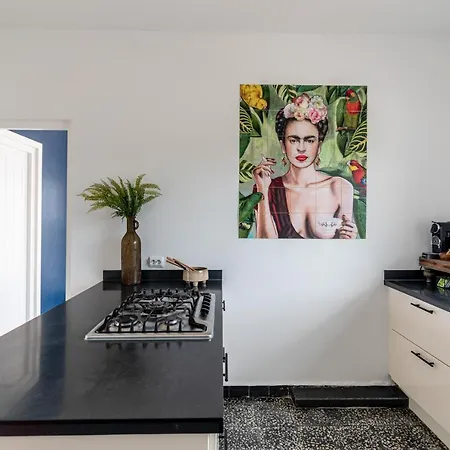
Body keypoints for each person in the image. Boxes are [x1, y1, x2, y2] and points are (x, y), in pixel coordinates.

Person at [253, 93, 358, 239]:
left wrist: (349, 237)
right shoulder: (268, 188)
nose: (301, 148)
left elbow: (343, 245)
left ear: (319, 146)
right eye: (293, 140)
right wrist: (262, 190)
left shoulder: (340, 187)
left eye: (309, 140)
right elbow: (265, 244)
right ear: (283, 146)